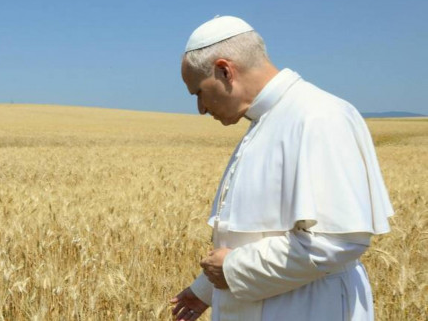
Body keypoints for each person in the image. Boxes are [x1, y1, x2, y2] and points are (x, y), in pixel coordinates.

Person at [169, 16, 394, 321]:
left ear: (225, 70)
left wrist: (235, 269)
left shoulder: (319, 116)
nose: (201, 108)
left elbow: (338, 241)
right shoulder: (265, 122)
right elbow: (253, 235)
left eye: (198, 92)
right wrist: (206, 289)